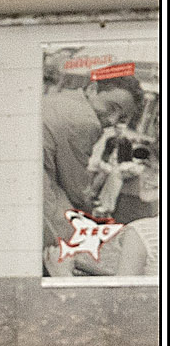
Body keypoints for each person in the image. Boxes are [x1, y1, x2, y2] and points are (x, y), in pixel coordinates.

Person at [42, 74, 143, 248]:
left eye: (121, 118)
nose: (112, 120)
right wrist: (91, 216)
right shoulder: (86, 121)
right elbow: (75, 187)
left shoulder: (63, 97)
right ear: (92, 89)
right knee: (74, 237)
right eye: (111, 107)